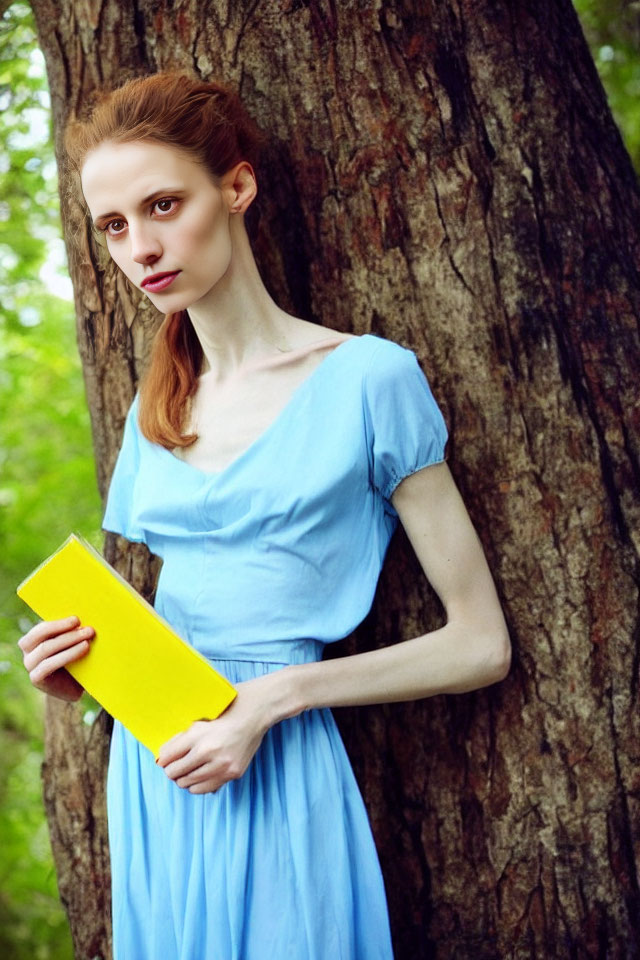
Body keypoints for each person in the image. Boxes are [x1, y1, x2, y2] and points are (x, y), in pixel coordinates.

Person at [18, 71, 511, 959]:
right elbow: (178, 624)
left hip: (278, 763)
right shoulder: (155, 409)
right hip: (159, 768)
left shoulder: (370, 379)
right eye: (115, 226)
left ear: (235, 187)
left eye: (163, 204)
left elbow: (480, 644)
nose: (141, 247)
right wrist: (83, 680)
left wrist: (275, 698)